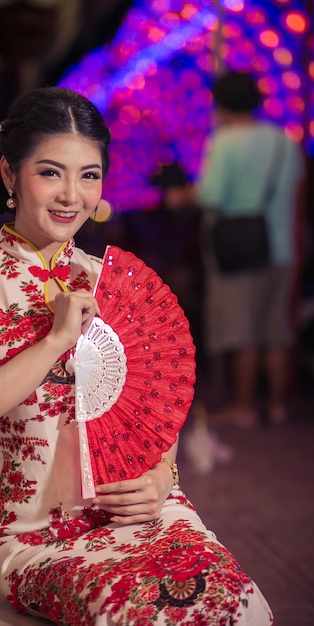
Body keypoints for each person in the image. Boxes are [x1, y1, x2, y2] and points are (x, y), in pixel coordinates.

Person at [0, 86, 274, 624]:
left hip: (146, 512)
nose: (72, 195)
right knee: (146, 613)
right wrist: (55, 342)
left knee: (240, 605)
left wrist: (160, 479)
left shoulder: (111, 278)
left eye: (89, 175)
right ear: (11, 175)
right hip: (40, 535)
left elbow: (156, 396)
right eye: (51, 172)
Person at [165, 71, 306, 428]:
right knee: (275, 331)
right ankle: (276, 406)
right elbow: (299, 188)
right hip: (281, 246)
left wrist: (180, 197)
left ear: (221, 104)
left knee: (242, 329)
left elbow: (212, 195)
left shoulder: (226, 141)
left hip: (239, 249)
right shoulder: (283, 141)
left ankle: (243, 406)